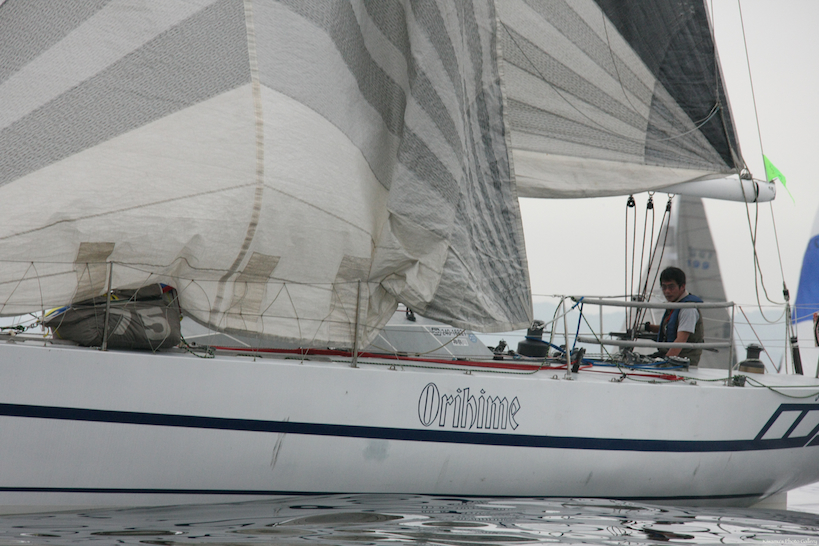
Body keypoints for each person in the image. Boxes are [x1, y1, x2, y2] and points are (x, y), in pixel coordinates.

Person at [646, 267, 704, 367]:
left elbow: (681, 340)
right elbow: (671, 328)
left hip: (681, 361)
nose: (667, 291)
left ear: (682, 286)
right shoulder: (676, 304)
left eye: (671, 287)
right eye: (664, 287)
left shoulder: (688, 309)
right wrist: (648, 327)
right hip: (666, 355)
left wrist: (663, 363)